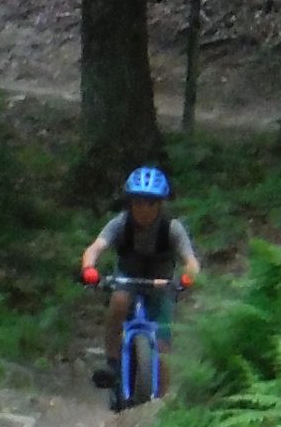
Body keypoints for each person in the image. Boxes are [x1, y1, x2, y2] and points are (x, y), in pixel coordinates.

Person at [80, 166, 201, 399]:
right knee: (119, 301)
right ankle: (113, 362)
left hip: (161, 283)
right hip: (127, 276)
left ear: (160, 204)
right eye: (138, 202)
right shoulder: (120, 223)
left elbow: (190, 260)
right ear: (130, 203)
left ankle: (160, 406)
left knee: (164, 344)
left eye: (150, 202)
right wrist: (89, 268)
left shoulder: (172, 228)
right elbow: (95, 247)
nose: (143, 208)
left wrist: (189, 276)